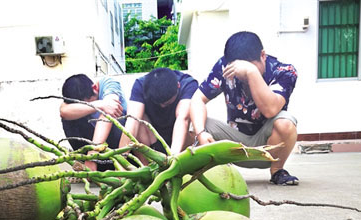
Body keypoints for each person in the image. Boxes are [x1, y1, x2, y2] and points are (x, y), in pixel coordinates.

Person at [190, 31, 299, 185]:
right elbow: (197, 100)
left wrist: (251, 72)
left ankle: (277, 171)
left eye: (246, 68)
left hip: (269, 148)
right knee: (194, 122)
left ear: (263, 55)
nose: (240, 75)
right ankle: (203, 173)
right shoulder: (225, 67)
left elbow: (271, 109)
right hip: (233, 145)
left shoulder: (284, 72)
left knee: (286, 123)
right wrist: (200, 132)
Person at [119, 67, 198, 159]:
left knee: (195, 123)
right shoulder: (140, 84)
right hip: (151, 135)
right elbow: (132, 122)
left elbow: (183, 119)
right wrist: (121, 160)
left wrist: (173, 157)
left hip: (179, 134)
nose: (162, 106)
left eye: (166, 103)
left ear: (178, 86)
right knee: (136, 118)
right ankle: (146, 165)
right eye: (158, 103)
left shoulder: (188, 83)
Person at [59, 74, 127, 171]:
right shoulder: (76, 97)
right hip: (97, 151)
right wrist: (99, 104)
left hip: (119, 148)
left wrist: (92, 157)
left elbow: (110, 110)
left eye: (87, 102)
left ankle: (94, 163)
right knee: (68, 118)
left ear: (95, 88)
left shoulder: (109, 83)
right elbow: (64, 111)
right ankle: (85, 162)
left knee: (110, 114)